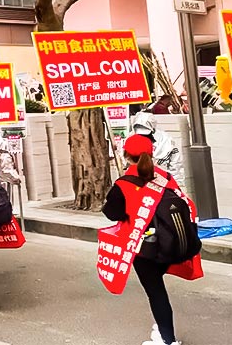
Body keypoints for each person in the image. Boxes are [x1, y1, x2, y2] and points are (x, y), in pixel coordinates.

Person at [102, 134, 188, 345]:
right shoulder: (166, 177)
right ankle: (162, 328)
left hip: (144, 248)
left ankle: (168, 340)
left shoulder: (124, 184)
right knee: (157, 288)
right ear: (152, 154)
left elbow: (112, 213)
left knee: (156, 292)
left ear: (125, 156)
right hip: (172, 242)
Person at [131, 112, 185, 192]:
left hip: (162, 182)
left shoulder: (166, 141)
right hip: (138, 183)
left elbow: (175, 164)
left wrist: (177, 186)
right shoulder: (130, 140)